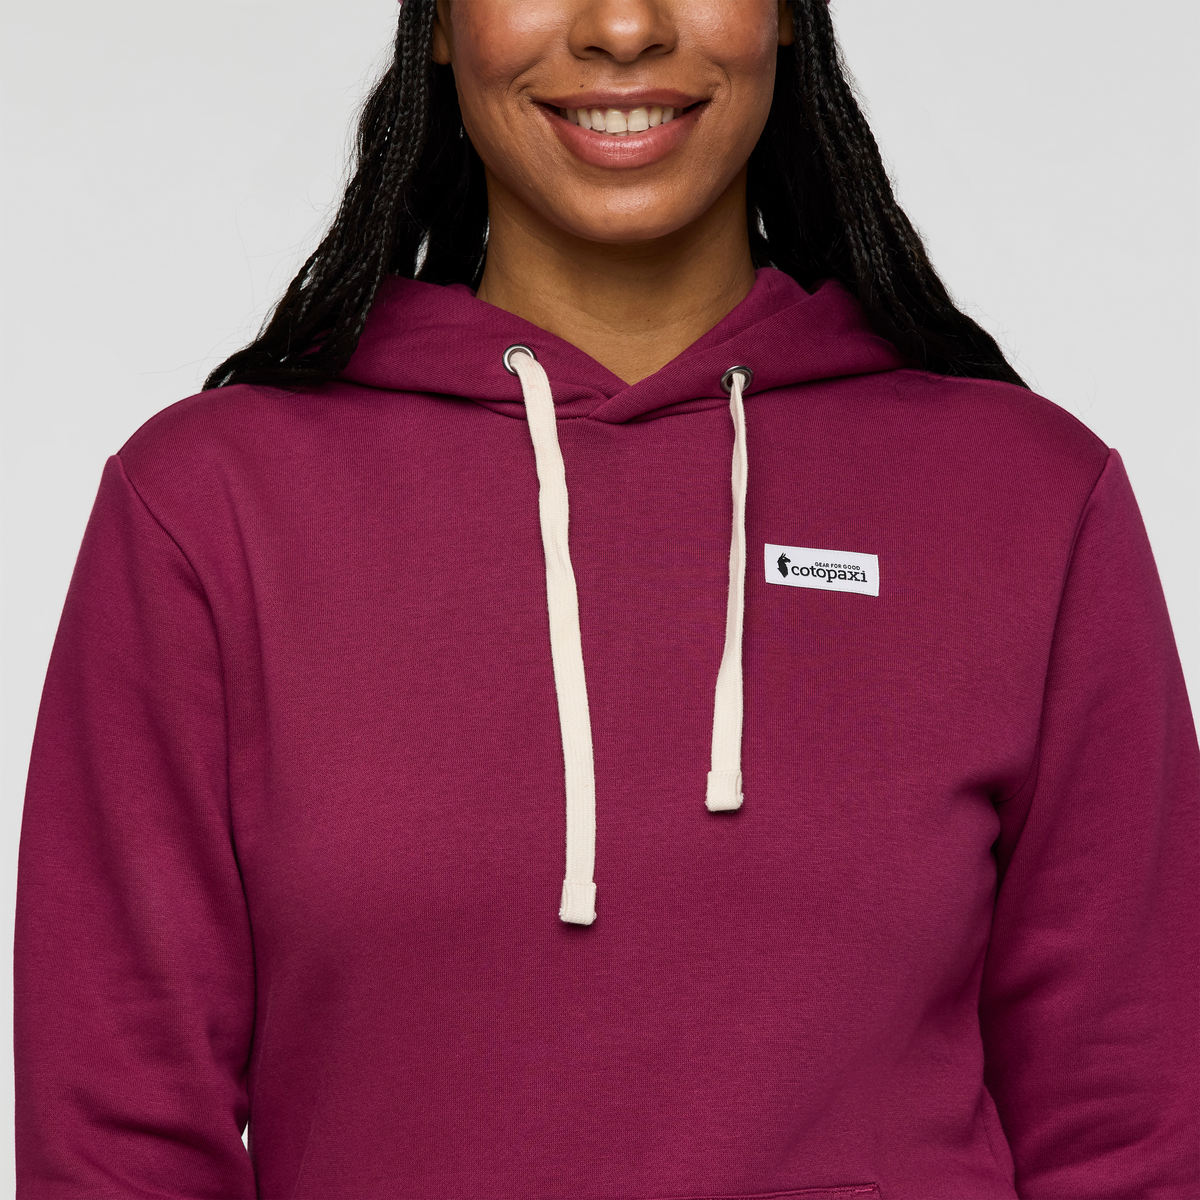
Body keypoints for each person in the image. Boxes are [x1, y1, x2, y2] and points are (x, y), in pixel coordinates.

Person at [13, 1, 1198, 1196]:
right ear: (440, 25)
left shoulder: (1029, 501)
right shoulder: (210, 510)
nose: (624, 28)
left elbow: (1128, 1123)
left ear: (785, 17)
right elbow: (118, 1145)